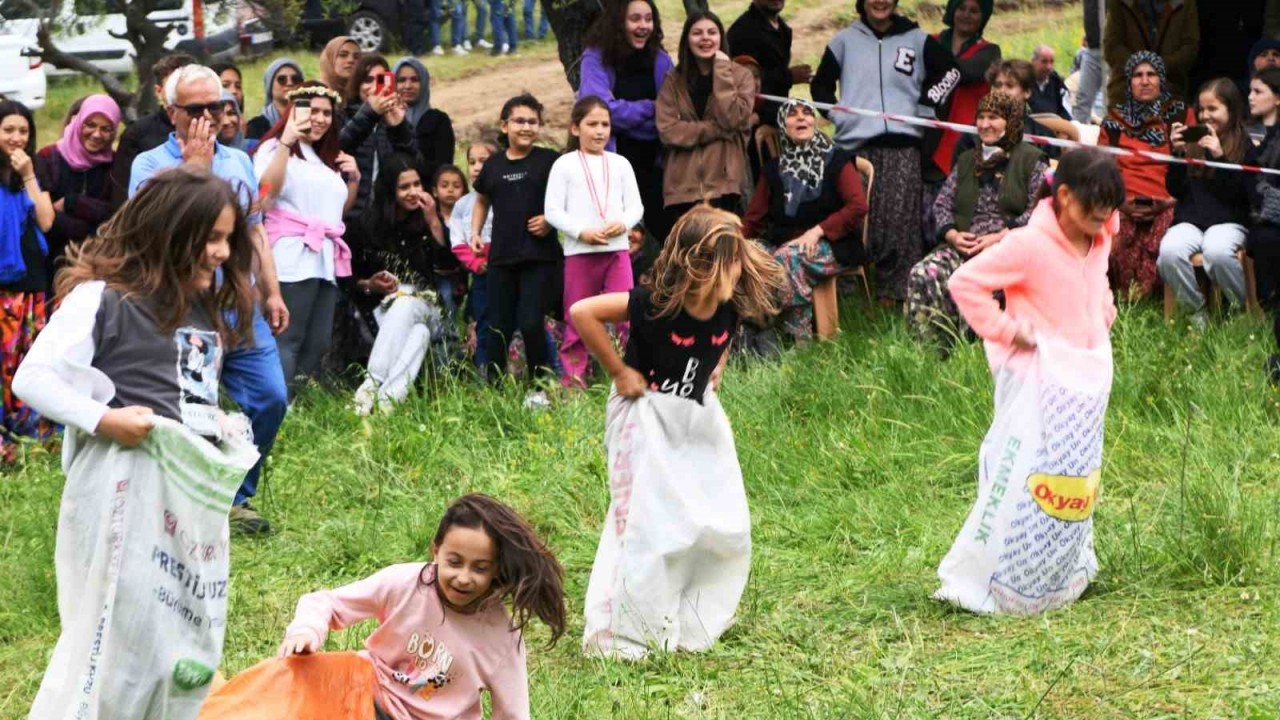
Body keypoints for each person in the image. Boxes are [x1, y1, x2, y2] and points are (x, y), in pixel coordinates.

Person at [15, 167, 258, 718]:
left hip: (187, 496)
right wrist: (105, 419)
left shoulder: (201, 310)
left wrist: (217, 429)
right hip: (125, 491)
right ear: (171, 232)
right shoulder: (103, 299)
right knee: (120, 623)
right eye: (211, 238)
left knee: (184, 628)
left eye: (227, 239)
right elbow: (32, 377)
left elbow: (190, 395)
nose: (221, 253)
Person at [572, 206, 784, 658]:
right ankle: (621, 633)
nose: (739, 266)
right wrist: (619, 371)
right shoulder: (652, 303)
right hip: (640, 417)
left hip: (692, 417)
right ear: (700, 263)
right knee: (646, 523)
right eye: (730, 259)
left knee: (709, 518)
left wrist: (719, 368)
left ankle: (686, 618)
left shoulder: (732, 305)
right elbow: (582, 311)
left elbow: (724, 339)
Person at [937, 149, 1124, 616]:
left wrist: (1103, 307)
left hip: (1082, 378)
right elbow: (966, 284)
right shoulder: (1028, 245)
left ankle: (1061, 571)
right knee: (1018, 476)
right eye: (1090, 212)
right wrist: (1005, 331)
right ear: (1063, 197)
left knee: (1074, 478)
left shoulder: (1100, 232)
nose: (1099, 223)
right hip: (1032, 379)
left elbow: (1097, 277)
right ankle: (998, 576)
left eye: (1107, 214)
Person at [129, 64, 290, 536]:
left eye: (215, 107)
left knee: (270, 396)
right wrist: (194, 170)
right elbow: (151, 236)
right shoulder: (148, 164)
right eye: (194, 108)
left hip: (237, 300)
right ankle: (191, 502)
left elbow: (255, 230)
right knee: (189, 409)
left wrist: (272, 291)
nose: (207, 117)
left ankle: (237, 496)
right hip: (183, 306)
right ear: (171, 110)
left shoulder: (240, 160)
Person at [262, 494, 566, 719]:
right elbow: (325, 602)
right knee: (290, 681)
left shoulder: (502, 637)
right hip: (367, 696)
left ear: (497, 569)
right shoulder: (406, 582)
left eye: (480, 568)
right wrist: (305, 632)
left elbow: (513, 715)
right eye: (454, 562)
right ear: (436, 551)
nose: (463, 578)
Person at [812, 0, 960, 305]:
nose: (880, 2)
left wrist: (926, 104)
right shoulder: (843, 41)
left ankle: (894, 294)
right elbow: (820, 87)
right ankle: (851, 293)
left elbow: (951, 71)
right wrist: (840, 115)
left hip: (902, 146)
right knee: (859, 218)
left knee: (899, 223)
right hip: (856, 146)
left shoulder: (917, 39)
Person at [906, 93, 1047, 351]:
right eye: (980, 117)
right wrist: (952, 235)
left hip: (1007, 250)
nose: (984, 124)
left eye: (993, 117)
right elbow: (942, 204)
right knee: (923, 273)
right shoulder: (967, 159)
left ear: (1011, 121)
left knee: (978, 281)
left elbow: (1039, 212)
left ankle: (977, 354)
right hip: (964, 246)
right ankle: (932, 353)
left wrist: (998, 237)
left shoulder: (1031, 160)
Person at [256, 83, 359, 398]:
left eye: (327, 113)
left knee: (318, 343)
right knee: (288, 337)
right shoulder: (273, 149)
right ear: (293, 111)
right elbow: (265, 195)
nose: (320, 118)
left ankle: (293, 407)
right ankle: (277, 408)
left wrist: (353, 179)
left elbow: (336, 212)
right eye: (312, 110)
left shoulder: (324, 159)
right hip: (290, 257)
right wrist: (286, 142)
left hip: (324, 260)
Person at [742, 98, 869, 343]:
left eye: (807, 113)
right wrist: (735, 247)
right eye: (792, 114)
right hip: (785, 243)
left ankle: (796, 338)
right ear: (783, 125)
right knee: (750, 253)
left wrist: (818, 231)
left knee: (788, 258)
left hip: (833, 244)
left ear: (814, 121)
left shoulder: (836, 160)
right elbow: (753, 219)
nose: (801, 117)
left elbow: (857, 206)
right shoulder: (773, 169)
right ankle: (751, 329)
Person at [545, 97, 644, 388]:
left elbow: (636, 207)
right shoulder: (564, 164)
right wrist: (580, 232)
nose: (599, 131)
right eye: (592, 124)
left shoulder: (620, 164)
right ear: (575, 128)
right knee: (576, 315)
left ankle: (632, 371)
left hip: (617, 252)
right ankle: (574, 380)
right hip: (580, 253)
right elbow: (552, 211)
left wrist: (623, 224)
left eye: (605, 125)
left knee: (626, 312)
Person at [469, 94, 560, 404]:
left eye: (532, 121)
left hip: (540, 257)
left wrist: (551, 220)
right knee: (498, 325)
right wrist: (475, 231)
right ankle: (493, 388)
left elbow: (566, 200)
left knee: (532, 322)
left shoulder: (549, 160)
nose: (526, 126)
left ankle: (541, 386)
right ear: (504, 125)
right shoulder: (493, 166)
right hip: (502, 259)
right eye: (519, 121)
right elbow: (482, 199)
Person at [352, 154, 449, 414]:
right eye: (404, 187)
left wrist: (433, 221)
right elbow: (351, 280)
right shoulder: (369, 224)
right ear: (390, 190)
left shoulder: (431, 218)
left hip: (429, 307)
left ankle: (371, 383)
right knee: (419, 334)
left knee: (407, 299)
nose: (413, 192)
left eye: (417, 184)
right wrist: (371, 283)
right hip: (383, 311)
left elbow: (449, 266)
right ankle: (386, 403)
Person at [578, 0, 675, 252]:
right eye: (635, 19)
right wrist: (649, 108)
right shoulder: (595, 57)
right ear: (619, 21)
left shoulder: (661, 61)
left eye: (648, 19)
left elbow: (670, 115)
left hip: (657, 169)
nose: (643, 25)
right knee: (619, 245)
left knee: (666, 243)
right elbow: (599, 111)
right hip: (612, 168)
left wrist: (622, 119)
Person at [1098, 51, 1194, 300]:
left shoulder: (1181, 116)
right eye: (1137, 75)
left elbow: (1194, 168)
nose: (1144, 81)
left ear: (1161, 79)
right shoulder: (1114, 122)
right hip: (1122, 201)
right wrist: (1120, 203)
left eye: (1151, 74)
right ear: (1128, 81)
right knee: (1118, 240)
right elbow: (1102, 170)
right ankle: (1124, 298)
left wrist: (1168, 201)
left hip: (1170, 201)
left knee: (1158, 240)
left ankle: (1155, 297)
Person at [1158, 78, 1253, 325]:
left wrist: (1220, 157)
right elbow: (1175, 189)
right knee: (1169, 251)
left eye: (1213, 109)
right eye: (1201, 109)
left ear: (1230, 110)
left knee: (1218, 251)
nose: (1205, 115)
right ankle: (1197, 316)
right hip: (1191, 221)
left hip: (1229, 220)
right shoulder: (1193, 143)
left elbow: (1243, 194)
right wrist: (1177, 154)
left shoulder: (1244, 144)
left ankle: (1239, 312)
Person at [655, 11, 756, 225]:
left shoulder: (741, 76)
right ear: (687, 40)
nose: (705, 38)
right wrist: (716, 130)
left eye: (712, 32)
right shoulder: (673, 80)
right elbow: (668, 130)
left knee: (722, 252)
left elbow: (732, 118)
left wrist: (722, 71)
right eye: (697, 33)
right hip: (682, 187)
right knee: (689, 255)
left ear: (721, 37)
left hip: (723, 183)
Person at [0, 100, 55, 464]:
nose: (17, 138)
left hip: (32, 284)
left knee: (28, 362)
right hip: (2, 288)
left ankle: (29, 437)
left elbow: (47, 221)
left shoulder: (34, 173)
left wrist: (29, 176)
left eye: (23, 131)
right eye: (8, 130)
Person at [35, 93, 120, 288]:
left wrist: (71, 203)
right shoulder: (48, 158)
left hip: (98, 266)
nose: (97, 134)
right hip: (49, 263)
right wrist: (90, 227)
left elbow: (115, 216)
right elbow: (44, 220)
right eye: (90, 125)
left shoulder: (115, 165)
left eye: (106, 129)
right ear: (78, 122)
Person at [109, 53, 196, 210]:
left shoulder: (211, 126)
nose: (182, 93)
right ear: (159, 91)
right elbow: (122, 198)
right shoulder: (137, 134)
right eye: (174, 87)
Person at [340, 55, 420, 220]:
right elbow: (340, 147)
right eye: (367, 80)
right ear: (357, 84)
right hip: (349, 215)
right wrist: (370, 112)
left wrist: (399, 128)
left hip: (386, 218)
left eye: (381, 80)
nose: (373, 87)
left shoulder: (394, 118)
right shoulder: (342, 116)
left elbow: (414, 164)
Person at [727, 0, 812, 131]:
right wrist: (788, 76)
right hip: (752, 125)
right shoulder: (743, 31)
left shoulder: (783, 29)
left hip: (778, 118)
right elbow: (744, 80)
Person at [452, 140, 498, 369]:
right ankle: (483, 370)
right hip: (480, 274)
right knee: (483, 321)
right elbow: (458, 241)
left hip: (507, 270)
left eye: (484, 161)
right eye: (472, 162)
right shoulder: (462, 205)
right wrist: (475, 263)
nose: (477, 167)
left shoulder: (505, 199)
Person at [1247, 67, 1280, 379]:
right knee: (1266, 239)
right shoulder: (1251, 135)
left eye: (1258, 91)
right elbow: (1251, 187)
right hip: (1263, 220)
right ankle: (1270, 306)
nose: (1251, 97)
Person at [1103, 0, 1198, 106]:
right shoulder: (1120, 3)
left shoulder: (1185, 3)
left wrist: (1159, 65)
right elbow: (1111, 47)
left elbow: (1190, 49)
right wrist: (1141, 66)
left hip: (1171, 94)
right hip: (1124, 94)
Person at [394, 58, 457, 179]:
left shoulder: (438, 121)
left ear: (424, 82)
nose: (408, 86)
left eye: (414, 80)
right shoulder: (384, 120)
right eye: (401, 80)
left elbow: (443, 168)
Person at [246, 58, 304, 143]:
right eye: (282, 79)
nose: (289, 83)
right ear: (270, 85)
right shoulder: (256, 126)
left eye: (295, 79)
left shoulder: (311, 119)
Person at [1073, 0, 1107, 122]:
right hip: (1092, 50)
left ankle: (1115, 134)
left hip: (1112, 50)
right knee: (1083, 98)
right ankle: (1077, 134)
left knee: (1113, 99)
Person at [1029, 44, 1071, 118]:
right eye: (1044, 62)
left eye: (1051, 62)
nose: (1049, 67)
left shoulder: (1056, 81)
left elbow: (1066, 109)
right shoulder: (1023, 82)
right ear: (1033, 62)